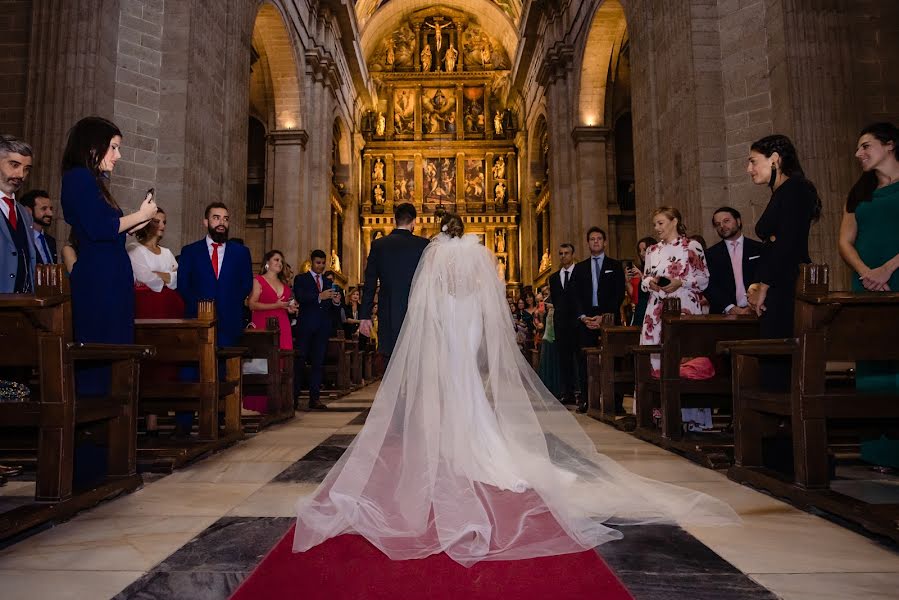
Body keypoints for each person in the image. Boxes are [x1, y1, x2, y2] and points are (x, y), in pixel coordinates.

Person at [292, 212, 737, 567]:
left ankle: (450, 445)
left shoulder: (436, 257)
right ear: (465, 231)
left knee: (451, 384)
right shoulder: (478, 254)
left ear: (439, 234)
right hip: (467, 325)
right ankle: (477, 442)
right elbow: (487, 304)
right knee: (467, 382)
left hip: (447, 324)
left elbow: (424, 301)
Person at [61, 117, 157, 395]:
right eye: (113, 148)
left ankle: (112, 425)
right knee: (101, 352)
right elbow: (99, 228)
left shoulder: (91, 181)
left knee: (116, 350)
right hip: (99, 278)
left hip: (109, 273)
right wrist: (140, 215)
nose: (119, 155)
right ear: (93, 147)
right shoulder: (78, 177)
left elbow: (106, 231)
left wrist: (138, 222)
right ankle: (94, 430)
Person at [746, 135, 820, 391]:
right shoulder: (781, 192)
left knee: (781, 352)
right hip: (777, 280)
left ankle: (787, 421)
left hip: (786, 282)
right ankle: (776, 419)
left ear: (775, 159)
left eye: (753, 161)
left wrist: (764, 285)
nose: (749, 169)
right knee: (772, 353)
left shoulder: (797, 189)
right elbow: (776, 242)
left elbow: (787, 244)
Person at [177, 202, 253, 433]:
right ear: (206, 222)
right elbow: (183, 286)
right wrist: (201, 308)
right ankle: (184, 423)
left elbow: (245, 284)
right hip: (197, 322)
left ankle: (219, 422)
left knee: (222, 373)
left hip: (228, 321)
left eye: (226, 219)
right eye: (216, 218)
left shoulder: (241, 253)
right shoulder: (190, 252)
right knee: (191, 372)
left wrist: (228, 304)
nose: (222, 223)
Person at [839, 122, 899, 392]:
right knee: (871, 352)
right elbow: (845, 241)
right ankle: (876, 433)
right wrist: (867, 272)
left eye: (865, 146)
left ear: (890, 145)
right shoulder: (858, 194)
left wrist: (887, 268)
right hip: (867, 284)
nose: (858, 153)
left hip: (893, 276)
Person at [639, 207, 709, 373]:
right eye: (655, 224)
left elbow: (704, 279)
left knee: (684, 355)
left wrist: (680, 282)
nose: (656, 228)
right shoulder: (652, 250)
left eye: (660, 223)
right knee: (655, 358)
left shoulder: (691, 246)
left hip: (685, 305)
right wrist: (651, 282)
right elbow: (645, 280)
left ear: (675, 221)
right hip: (656, 309)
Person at [359, 202, 430, 362]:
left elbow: (370, 283)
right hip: (416, 311)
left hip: (388, 310)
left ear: (394, 220)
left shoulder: (378, 245)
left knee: (390, 362)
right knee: (414, 361)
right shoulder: (424, 245)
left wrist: (365, 316)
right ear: (414, 222)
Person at [570, 227, 625, 413]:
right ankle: (586, 400)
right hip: (586, 317)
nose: (595, 241)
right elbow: (574, 295)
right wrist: (583, 317)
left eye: (599, 238)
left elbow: (619, 293)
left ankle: (616, 402)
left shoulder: (615, 266)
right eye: (592, 239)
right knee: (585, 359)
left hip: (608, 316)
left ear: (605, 242)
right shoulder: (579, 268)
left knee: (614, 358)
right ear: (587, 243)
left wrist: (605, 316)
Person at [294, 249, 342, 410]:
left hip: (322, 327)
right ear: (312, 262)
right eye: (318, 263)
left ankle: (315, 398)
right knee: (300, 361)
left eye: (323, 263)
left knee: (318, 363)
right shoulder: (301, 279)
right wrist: (319, 297)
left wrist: (335, 301)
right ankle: (294, 396)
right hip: (306, 326)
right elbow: (300, 297)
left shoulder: (329, 282)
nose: (320, 266)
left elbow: (334, 309)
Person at [705, 207, 763, 316]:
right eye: (718, 224)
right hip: (724, 316)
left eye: (726, 221)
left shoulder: (759, 249)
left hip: (758, 312)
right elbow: (709, 285)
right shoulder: (710, 254)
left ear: (738, 221)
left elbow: (767, 277)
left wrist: (754, 305)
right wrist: (731, 308)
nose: (722, 226)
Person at [0, 135, 37, 293]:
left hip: (22, 306)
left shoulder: (24, 213)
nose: (21, 175)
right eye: (14, 165)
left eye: (26, 169)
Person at [548, 243, 578, 405]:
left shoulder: (580, 273)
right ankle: (567, 392)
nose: (563, 256)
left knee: (579, 358)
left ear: (572, 254)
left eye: (566, 253)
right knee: (564, 359)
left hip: (577, 322)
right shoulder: (553, 278)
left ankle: (582, 392)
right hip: (561, 323)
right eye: (560, 253)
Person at [20, 189, 57, 265]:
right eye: (44, 209)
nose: (50, 213)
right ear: (28, 211)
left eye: (51, 209)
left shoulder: (51, 241)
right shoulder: (21, 239)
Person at [626, 237, 655, 327]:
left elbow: (655, 289)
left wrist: (642, 276)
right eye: (639, 250)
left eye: (645, 250)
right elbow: (635, 296)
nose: (641, 253)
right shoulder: (642, 268)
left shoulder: (658, 267)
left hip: (652, 312)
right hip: (640, 310)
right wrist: (627, 282)